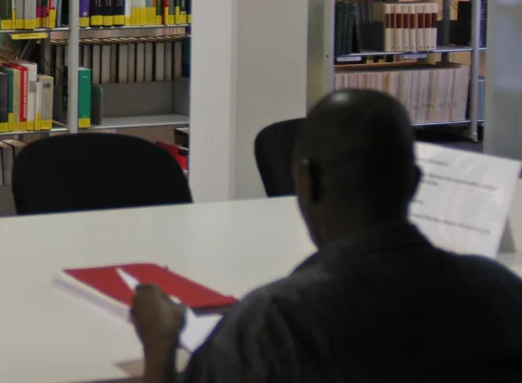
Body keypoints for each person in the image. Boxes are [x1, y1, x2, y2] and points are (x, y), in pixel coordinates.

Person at [130, 89, 522, 382]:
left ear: (309, 180)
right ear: (417, 182)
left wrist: (159, 343)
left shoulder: (276, 323)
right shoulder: (501, 292)